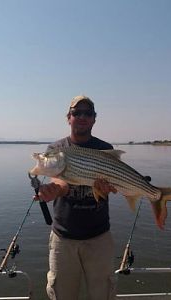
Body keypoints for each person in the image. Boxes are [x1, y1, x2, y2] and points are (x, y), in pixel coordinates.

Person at [36, 95, 117, 300]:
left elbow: (114, 185)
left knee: (102, 295)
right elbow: (60, 183)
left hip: (99, 238)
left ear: (94, 119)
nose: (82, 117)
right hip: (63, 239)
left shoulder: (104, 149)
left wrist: (107, 188)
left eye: (87, 113)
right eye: (76, 113)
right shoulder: (55, 149)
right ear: (68, 118)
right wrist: (53, 190)